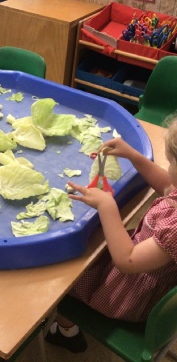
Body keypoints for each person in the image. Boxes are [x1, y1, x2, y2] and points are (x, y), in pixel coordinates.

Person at [46, 123, 177, 354]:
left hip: (127, 296)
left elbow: (127, 260)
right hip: (142, 264)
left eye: (171, 163)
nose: (167, 169)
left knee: (62, 277)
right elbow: (167, 185)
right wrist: (134, 156)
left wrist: (107, 206)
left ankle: (67, 332)